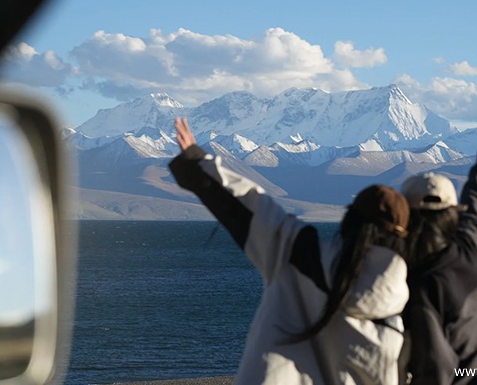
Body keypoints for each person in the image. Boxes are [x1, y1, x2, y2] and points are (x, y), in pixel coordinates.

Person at [168, 117, 411, 385]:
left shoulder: (297, 252)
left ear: (349, 220)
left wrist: (194, 160)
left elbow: (249, 205)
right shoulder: (404, 306)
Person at [399, 146, 477, 385]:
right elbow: (472, 214)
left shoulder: (419, 284)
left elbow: (434, 367)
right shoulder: (467, 250)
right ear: (451, 214)